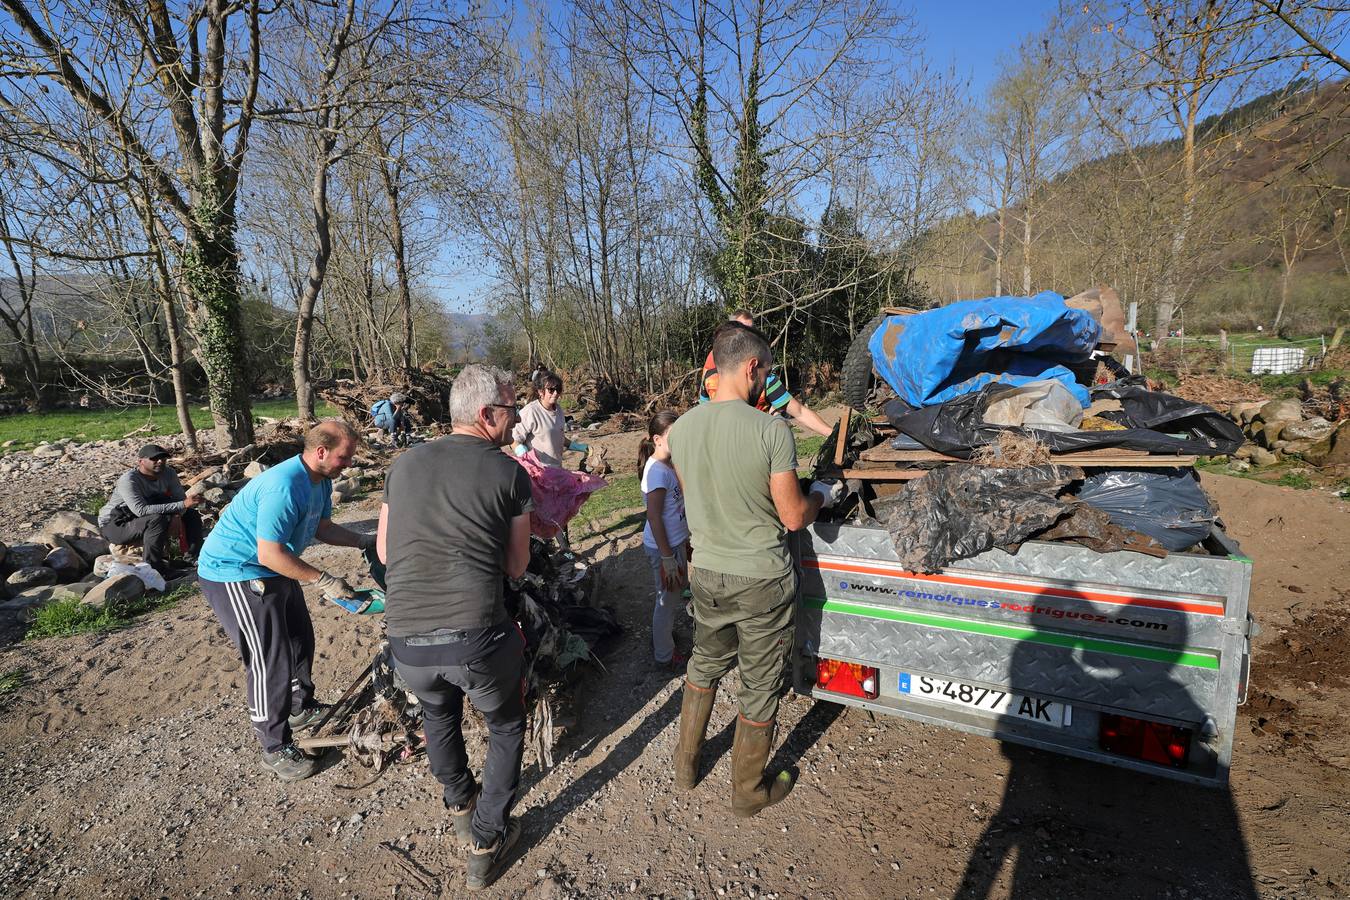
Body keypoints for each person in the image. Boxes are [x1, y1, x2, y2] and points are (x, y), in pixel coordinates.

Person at [668, 322, 842, 818]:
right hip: (762, 579)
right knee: (761, 685)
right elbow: (791, 516)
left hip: (707, 573)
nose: (767, 380)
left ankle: (686, 767)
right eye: (766, 371)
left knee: (704, 665)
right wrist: (822, 495)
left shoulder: (681, 428)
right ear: (750, 367)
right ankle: (747, 792)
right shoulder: (770, 430)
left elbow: (695, 494)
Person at [377, 364, 532, 891]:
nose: (516, 418)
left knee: (436, 714)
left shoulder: (401, 466)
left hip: (406, 642)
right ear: (487, 414)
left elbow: (382, 549)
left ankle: (459, 804)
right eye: (511, 408)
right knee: (507, 726)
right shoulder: (508, 472)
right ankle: (487, 841)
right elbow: (516, 567)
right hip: (478, 639)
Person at [196, 420, 377, 782]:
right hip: (237, 571)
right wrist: (323, 580)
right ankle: (274, 746)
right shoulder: (283, 486)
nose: (349, 463)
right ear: (321, 451)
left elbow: (321, 527)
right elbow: (269, 554)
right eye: (345, 456)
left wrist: (366, 541)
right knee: (269, 658)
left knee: (299, 640)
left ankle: (299, 707)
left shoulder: (320, 480)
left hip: (275, 565)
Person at [698, 312, 834, 438]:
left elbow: (799, 411)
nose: (748, 335)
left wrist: (835, 436)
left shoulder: (765, 379)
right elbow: (703, 413)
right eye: (742, 330)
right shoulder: (709, 376)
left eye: (751, 330)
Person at [98, 444, 204, 577]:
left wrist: (177, 514)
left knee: (191, 514)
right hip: (115, 524)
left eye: (163, 458)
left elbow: (180, 501)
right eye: (155, 459)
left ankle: (193, 558)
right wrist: (180, 506)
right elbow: (141, 510)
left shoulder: (169, 473)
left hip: (144, 517)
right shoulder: (129, 480)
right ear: (141, 461)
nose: (160, 461)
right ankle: (154, 569)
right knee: (157, 519)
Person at [639, 410, 690, 669]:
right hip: (664, 548)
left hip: (673, 544)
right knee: (666, 601)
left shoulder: (668, 463)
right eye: (673, 435)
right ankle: (664, 654)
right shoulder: (657, 471)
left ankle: (664, 640)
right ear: (657, 439)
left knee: (672, 594)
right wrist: (668, 557)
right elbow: (655, 517)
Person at [510, 370, 588, 467]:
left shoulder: (558, 410)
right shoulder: (530, 411)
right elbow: (513, 440)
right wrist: (524, 455)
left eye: (558, 389)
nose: (555, 393)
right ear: (540, 391)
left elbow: (558, 436)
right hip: (538, 471)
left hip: (556, 469)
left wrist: (578, 446)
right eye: (551, 390)